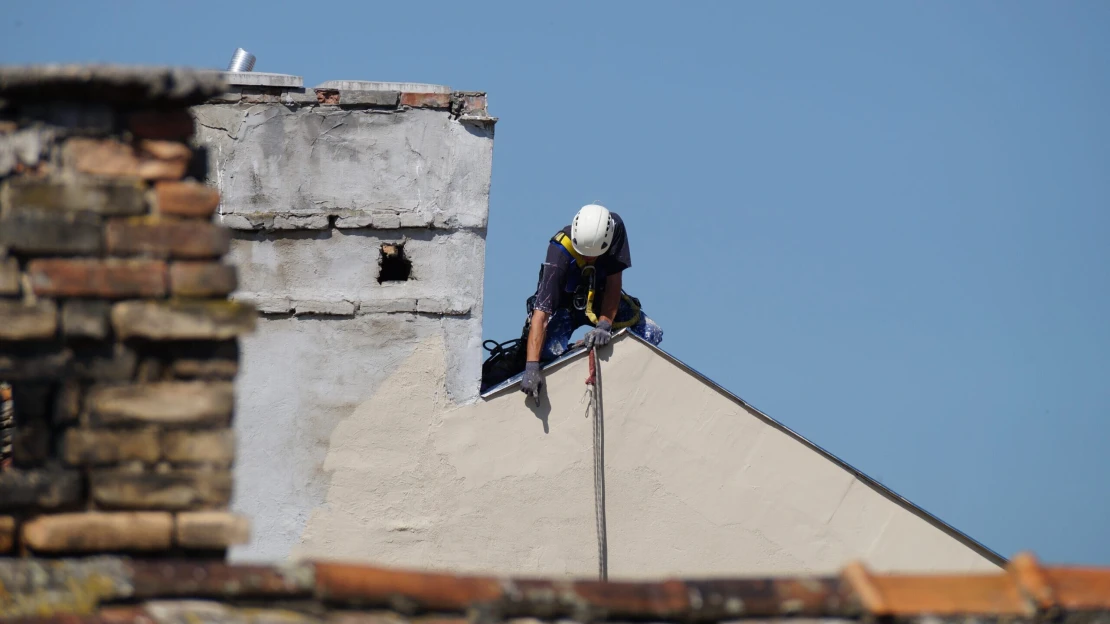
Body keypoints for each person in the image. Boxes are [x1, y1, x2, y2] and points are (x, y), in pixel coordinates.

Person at [485, 204, 662, 401]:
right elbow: (541, 315)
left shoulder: (615, 229)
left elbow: (613, 283)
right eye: (583, 253)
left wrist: (604, 325)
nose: (586, 258)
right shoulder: (559, 251)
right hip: (565, 309)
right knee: (549, 355)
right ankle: (570, 356)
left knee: (651, 333)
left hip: (600, 299)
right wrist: (532, 366)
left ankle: (620, 382)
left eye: (591, 255)